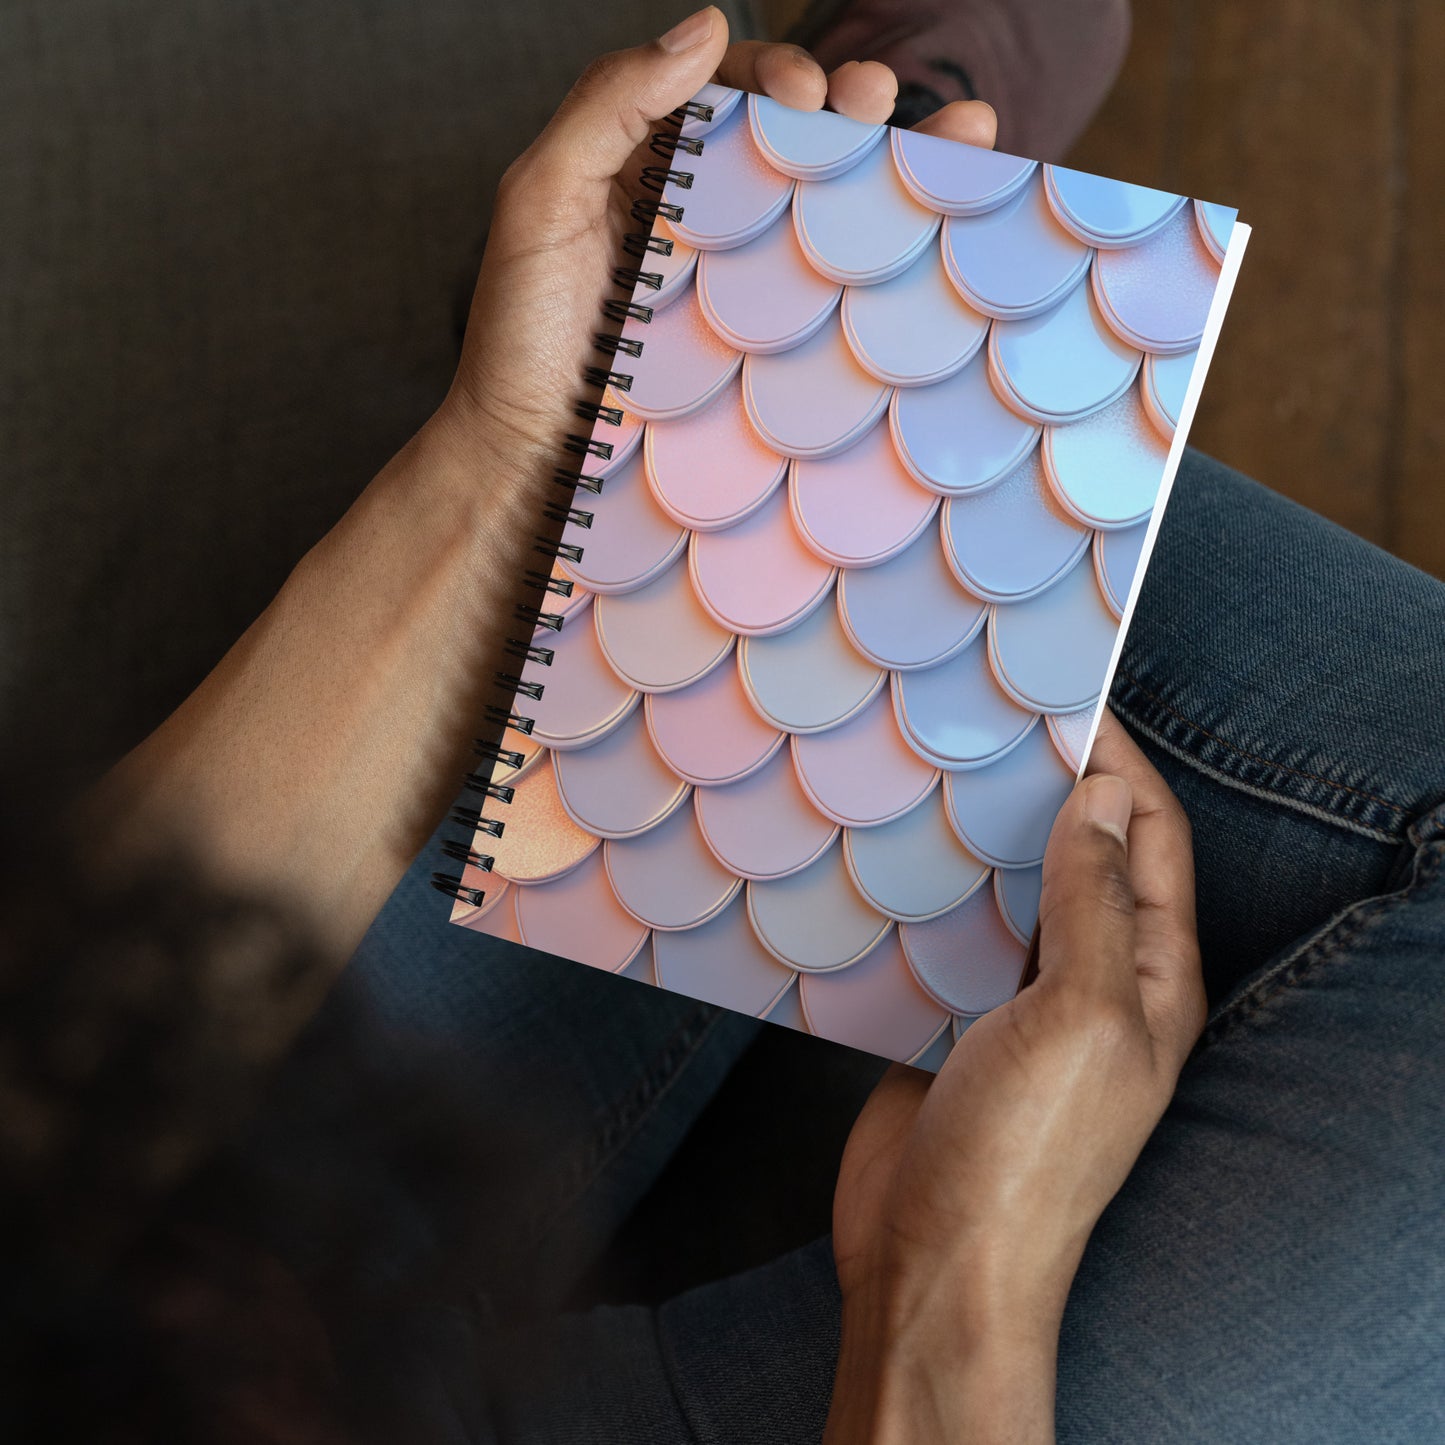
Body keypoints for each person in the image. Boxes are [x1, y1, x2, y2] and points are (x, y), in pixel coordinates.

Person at [2, 7, 1442, 1442]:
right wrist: (946, 1298)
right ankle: (845, 301)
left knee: (704, 587)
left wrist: (501, 464)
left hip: (143, 1296)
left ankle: (728, 346)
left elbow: (47, 1081)